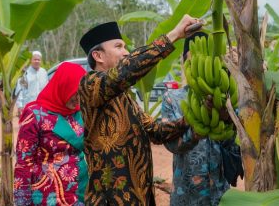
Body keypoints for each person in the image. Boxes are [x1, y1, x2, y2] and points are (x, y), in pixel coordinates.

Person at [78, 16, 200, 205]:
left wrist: (192, 119)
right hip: (109, 199)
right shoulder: (90, 85)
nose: (126, 52)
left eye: (125, 47)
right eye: (119, 47)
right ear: (98, 56)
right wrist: (174, 35)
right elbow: (125, 72)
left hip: (140, 197)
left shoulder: (125, 98)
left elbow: (156, 131)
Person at [161, 32, 242, 206]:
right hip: (186, 195)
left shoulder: (227, 98)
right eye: (193, 60)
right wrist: (197, 131)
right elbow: (171, 144)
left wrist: (225, 118)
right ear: (184, 63)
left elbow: (236, 145)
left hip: (220, 193)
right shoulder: (172, 99)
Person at [14, 62, 88, 206]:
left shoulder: (79, 112)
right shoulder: (35, 114)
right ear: (64, 85)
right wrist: (22, 200)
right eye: (76, 92)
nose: (79, 98)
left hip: (80, 191)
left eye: (82, 93)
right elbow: (24, 162)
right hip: (48, 195)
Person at [16, 51, 48, 116]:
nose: (37, 61)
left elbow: (47, 88)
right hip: (28, 107)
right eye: (35, 59)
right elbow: (20, 90)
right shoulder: (25, 73)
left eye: (38, 60)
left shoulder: (44, 72)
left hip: (42, 107)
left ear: (41, 61)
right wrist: (20, 106)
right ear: (31, 60)